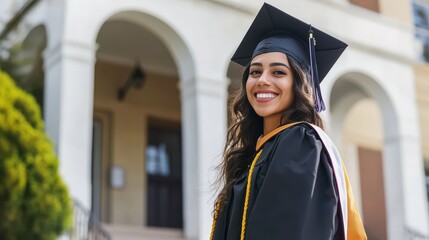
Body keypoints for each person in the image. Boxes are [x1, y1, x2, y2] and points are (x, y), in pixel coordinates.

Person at [210, 3, 367, 240]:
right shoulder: (254, 155)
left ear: (299, 85)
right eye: (255, 72)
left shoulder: (300, 143)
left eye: (278, 72)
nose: (262, 80)